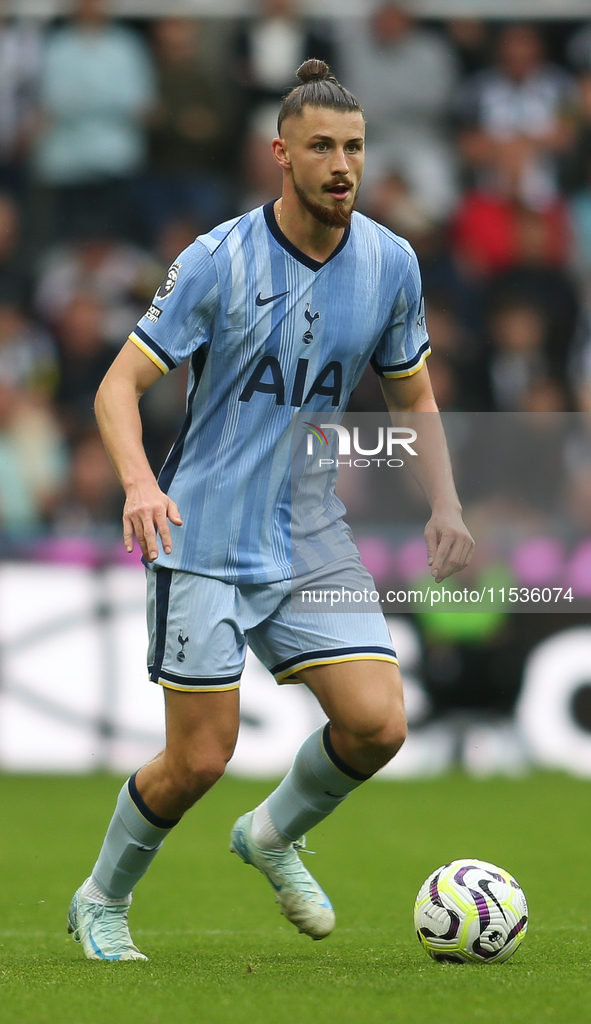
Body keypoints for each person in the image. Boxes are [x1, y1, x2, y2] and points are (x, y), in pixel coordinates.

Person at [68, 59, 474, 961]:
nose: (342, 166)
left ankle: (272, 833)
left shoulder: (389, 262)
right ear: (280, 154)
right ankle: (102, 898)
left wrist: (443, 499)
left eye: (355, 148)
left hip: (309, 534)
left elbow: (413, 396)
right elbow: (115, 387)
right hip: (202, 531)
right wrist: (140, 482)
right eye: (322, 147)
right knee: (198, 761)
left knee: (377, 723)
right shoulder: (218, 259)